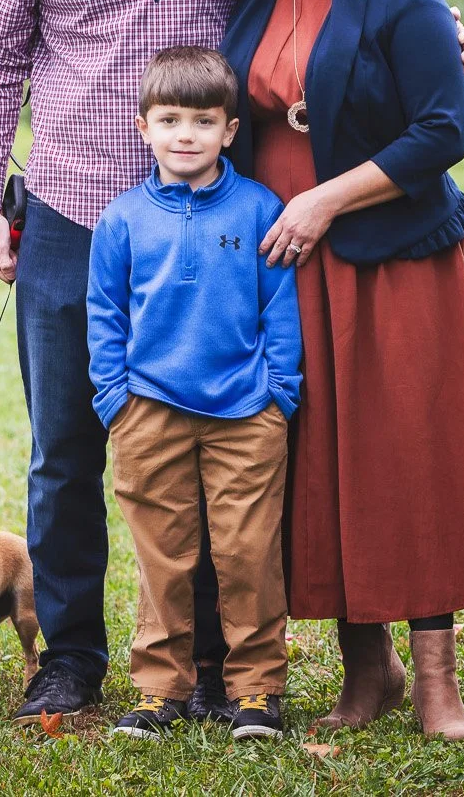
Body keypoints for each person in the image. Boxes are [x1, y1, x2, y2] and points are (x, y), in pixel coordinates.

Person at [0, 0, 464, 725]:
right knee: (68, 444)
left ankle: (209, 663)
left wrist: (440, 28)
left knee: (216, 436)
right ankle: (69, 655)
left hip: (219, 218)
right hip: (71, 209)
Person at [221, 0, 464, 741]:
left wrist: (325, 200)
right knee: (321, 459)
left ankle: (437, 686)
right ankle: (364, 672)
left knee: (404, 456)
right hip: (284, 261)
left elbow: (442, 132)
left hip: (388, 256)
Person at [87, 46, 302, 741]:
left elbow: (280, 310)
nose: (186, 134)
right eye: (170, 119)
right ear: (143, 126)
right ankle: (158, 690)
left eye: (204, 121)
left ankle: (257, 691)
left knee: (246, 553)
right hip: (149, 410)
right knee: (164, 556)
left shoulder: (260, 206)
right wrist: (115, 398)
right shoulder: (122, 219)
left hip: (246, 413)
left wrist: (279, 395)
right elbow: (105, 314)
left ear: (230, 132)